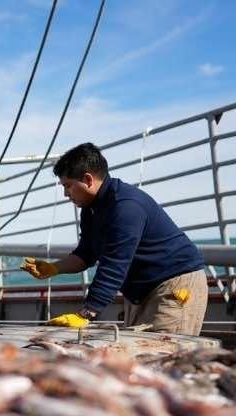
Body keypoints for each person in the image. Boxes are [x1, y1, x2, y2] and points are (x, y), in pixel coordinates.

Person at [21, 142, 207, 335]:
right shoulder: (91, 209)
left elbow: (114, 264)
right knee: (140, 355)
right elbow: (86, 254)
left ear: (88, 179)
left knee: (163, 355)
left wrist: (86, 314)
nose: (66, 194)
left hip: (175, 286)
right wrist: (54, 268)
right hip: (142, 291)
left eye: (68, 186)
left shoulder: (126, 207)